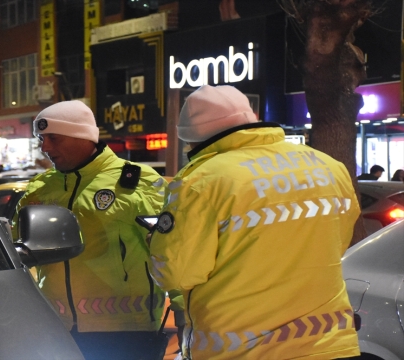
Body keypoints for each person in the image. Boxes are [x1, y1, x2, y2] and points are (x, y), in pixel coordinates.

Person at [149, 85, 360, 359]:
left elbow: (176, 273)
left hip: (243, 350)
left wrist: (157, 240)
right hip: (331, 344)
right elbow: (339, 239)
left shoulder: (201, 182)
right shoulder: (329, 167)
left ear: (193, 140)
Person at [12, 100, 172, 360]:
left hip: (127, 330)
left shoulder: (136, 182)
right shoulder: (40, 189)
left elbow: (170, 249)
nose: (45, 148)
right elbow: (17, 249)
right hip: (55, 328)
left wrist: (183, 309)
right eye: (41, 139)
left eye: (54, 138)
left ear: (83, 137)